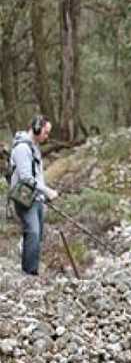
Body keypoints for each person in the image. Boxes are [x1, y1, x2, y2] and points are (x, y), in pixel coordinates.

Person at [8, 115, 59, 275]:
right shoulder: (22, 148)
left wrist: (42, 197)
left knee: (36, 236)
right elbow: (26, 178)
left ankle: (29, 267)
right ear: (37, 128)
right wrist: (47, 191)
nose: (47, 136)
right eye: (46, 131)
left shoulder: (34, 147)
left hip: (35, 198)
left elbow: (38, 175)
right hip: (24, 199)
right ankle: (30, 273)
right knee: (33, 232)